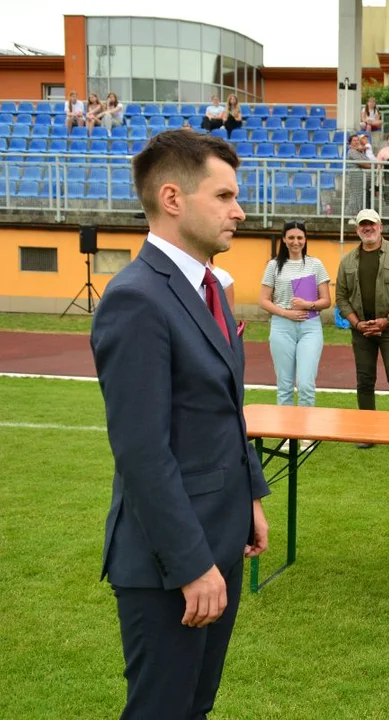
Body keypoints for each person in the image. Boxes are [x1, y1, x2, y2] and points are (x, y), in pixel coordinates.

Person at [89, 130, 269, 719]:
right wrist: (192, 564)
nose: (239, 211)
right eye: (223, 196)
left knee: (195, 705)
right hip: (171, 559)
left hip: (219, 532)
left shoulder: (209, 287)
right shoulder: (137, 298)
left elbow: (223, 410)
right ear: (173, 198)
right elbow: (143, 452)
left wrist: (252, 499)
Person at [335, 208, 389, 452]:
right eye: (363, 225)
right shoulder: (348, 261)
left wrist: (387, 319)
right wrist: (356, 323)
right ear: (357, 229)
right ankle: (367, 433)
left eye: (371, 224)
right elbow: (341, 296)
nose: (367, 228)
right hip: (361, 330)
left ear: (380, 226)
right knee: (364, 381)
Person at [258, 220, 331, 408]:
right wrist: (285, 313)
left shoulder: (315, 264)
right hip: (282, 327)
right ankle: (287, 436)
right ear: (284, 239)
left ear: (305, 239)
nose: (295, 242)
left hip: (310, 326)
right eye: (291, 237)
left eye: (299, 237)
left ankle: (306, 434)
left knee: (306, 384)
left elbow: (326, 300)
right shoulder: (274, 266)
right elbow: (263, 300)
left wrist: (309, 304)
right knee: (284, 386)